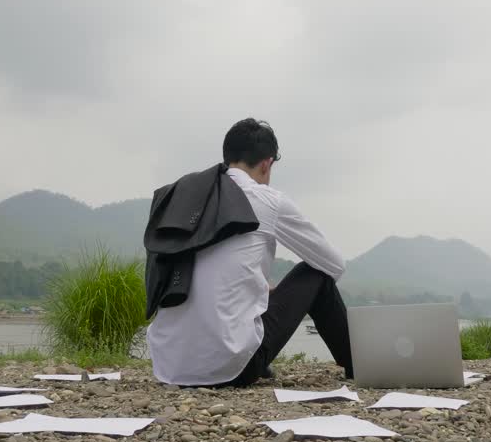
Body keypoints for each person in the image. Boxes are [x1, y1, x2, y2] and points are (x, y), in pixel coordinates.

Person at [146, 118, 352, 387]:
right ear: (267, 164)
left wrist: (256, 287)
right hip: (232, 368)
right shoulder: (266, 199)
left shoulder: (185, 201)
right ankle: (360, 362)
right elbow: (334, 265)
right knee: (316, 273)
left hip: (169, 366)